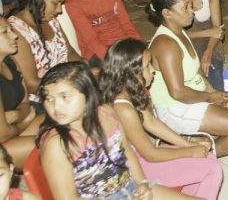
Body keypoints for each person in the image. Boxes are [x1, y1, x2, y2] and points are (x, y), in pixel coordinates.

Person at [36, 62, 193, 199]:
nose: (56, 107)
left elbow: (127, 153)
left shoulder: (106, 112)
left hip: (129, 188)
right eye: (49, 99)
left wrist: (142, 183)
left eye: (65, 97)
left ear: (87, 94)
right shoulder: (57, 145)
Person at [100, 39, 223, 199]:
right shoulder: (122, 108)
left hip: (141, 160)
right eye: (147, 66)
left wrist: (188, 144)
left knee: (208, 158)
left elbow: (152, 122)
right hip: (133, 170)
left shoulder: (129, 92)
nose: (153, 70)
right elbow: (150, 154)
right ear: (131, 72)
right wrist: (190, 151)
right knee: (212, 169)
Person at [146, 0, 228, 157]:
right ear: (167, 13)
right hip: (175, 107)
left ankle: (194, 138)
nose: (193, 11)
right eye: (186, 7)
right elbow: (177, 93)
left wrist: (210, 89)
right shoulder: (165, 44)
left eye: (191, 5)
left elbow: (196, 69)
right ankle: (196, 155)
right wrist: (210, 97)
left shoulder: (180, 31)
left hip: (195, 96)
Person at [7, 0, 81, 93]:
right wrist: (74, 82)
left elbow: (71, 54)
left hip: (68, 86)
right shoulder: (16, 30)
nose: (59, 10)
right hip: (42, 96)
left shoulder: (51, 22)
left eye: (61, 4)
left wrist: (86, 70)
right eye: (55, 3)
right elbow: (31, 84)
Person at [174, 0, 226, 91]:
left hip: (210, 41)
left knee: (214, 72)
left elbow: (217, 29)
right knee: (190, 76)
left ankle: (218, 105)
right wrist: (209, 32)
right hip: (185, 41)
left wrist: (208, 54)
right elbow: (175, 34)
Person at [0, 17, 42, 168]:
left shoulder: (10, 60)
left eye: (11, 29)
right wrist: (24, 121)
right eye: (5, 32)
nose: (15, 35)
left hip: (12, 130)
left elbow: (25, 103)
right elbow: (2, 134)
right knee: (54, 143)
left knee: (63, 122)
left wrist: (15, 115)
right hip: (5, 138)